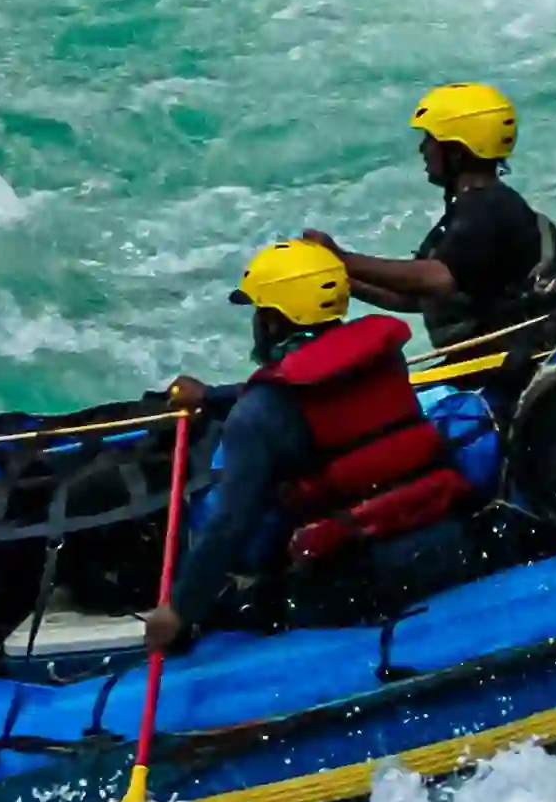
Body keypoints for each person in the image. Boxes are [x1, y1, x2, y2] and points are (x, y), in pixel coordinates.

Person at [140, 241, 479, 644]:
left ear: (272, 323)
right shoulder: (384, 358)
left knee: (235, 605)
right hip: (445, 541)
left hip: (359, 580)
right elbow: (312, 391)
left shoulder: (258, 415)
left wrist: (178, 611)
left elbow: (230, 528)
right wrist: (212, 397)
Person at [309, 83, 556, 368]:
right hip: (498, 360)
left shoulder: (487, 208)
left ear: (457, 152)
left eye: (430, 139)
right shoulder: (479, 207)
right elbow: (411, 297)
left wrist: (342, 257)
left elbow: (437, 278)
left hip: (505, 367)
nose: (423, 149)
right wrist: (337, 277)